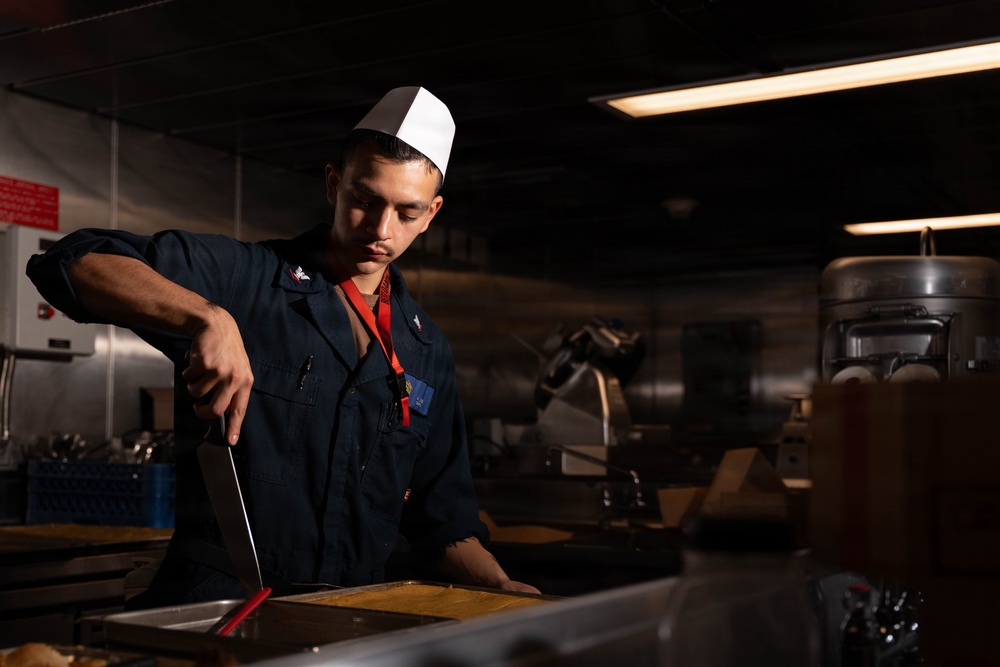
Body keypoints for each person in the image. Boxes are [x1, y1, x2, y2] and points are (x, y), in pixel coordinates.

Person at [27, 86, 539, 607]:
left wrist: (502, 588)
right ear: (333, 183)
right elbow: (72, 261)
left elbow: (443, 521)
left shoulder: (427, 350)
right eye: (364, 201)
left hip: (353, 615)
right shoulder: (248, 280)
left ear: (431, 213)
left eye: (407, 214)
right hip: (224, 607)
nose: (380, 230)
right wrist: (207, 316)